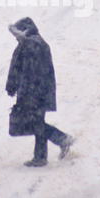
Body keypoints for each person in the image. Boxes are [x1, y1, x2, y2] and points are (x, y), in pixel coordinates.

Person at [6, 17, 74, 167]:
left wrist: (23, 91)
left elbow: (29, 66)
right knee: (37, 122)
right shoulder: (30, 44)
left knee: (36, 123)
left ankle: (61, 139)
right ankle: (41, 156)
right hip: (38, 92)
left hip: (36, 93)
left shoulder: (34, 43)